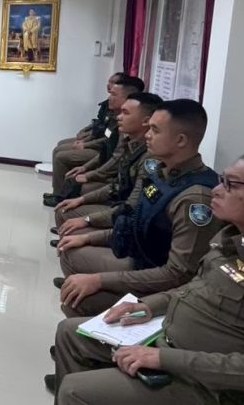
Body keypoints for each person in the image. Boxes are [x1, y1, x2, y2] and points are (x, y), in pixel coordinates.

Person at [48, 153, 244, 405]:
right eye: (222, 180)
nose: (217, 190)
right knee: (72, 333)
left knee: (75, 390)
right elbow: (195, 288)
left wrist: (162, 359)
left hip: (210, 386)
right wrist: (148, 306)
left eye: (232, 185)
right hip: (170, 343)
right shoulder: (233, 238)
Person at [53, 99, 221, 317]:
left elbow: (177, 276)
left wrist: (99, 280)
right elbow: (134, 222)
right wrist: (88, 237)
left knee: (80, 301)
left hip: (162, 285)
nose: (148, 135)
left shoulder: (196, 198)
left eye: (155, 130)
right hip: (142, 257)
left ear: (180, 140)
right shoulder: (162, 173)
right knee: (71, 250)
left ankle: (99, 331)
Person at [53, 92, 163, 230]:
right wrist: (81, 199)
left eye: (125, 113)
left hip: (129, 217)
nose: (119, 117)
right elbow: (117, 183)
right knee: (68, 204)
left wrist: (88, 220)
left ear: (146, 121)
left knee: (68, 212)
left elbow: (132, 206)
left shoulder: (150, 158)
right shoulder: (130, 142)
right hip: (120, 199)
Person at [45, 76, 145, 205]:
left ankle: (61, 197)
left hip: (111, 173)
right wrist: (85, 164)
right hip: (105, 159)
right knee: (61, 149)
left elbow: (113, 157)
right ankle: (60, 195)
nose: (109, 96)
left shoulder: (129, 129)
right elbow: (100, 131)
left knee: (63, 160)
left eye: (114, 94)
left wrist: (90, 171)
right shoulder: (112, 113)